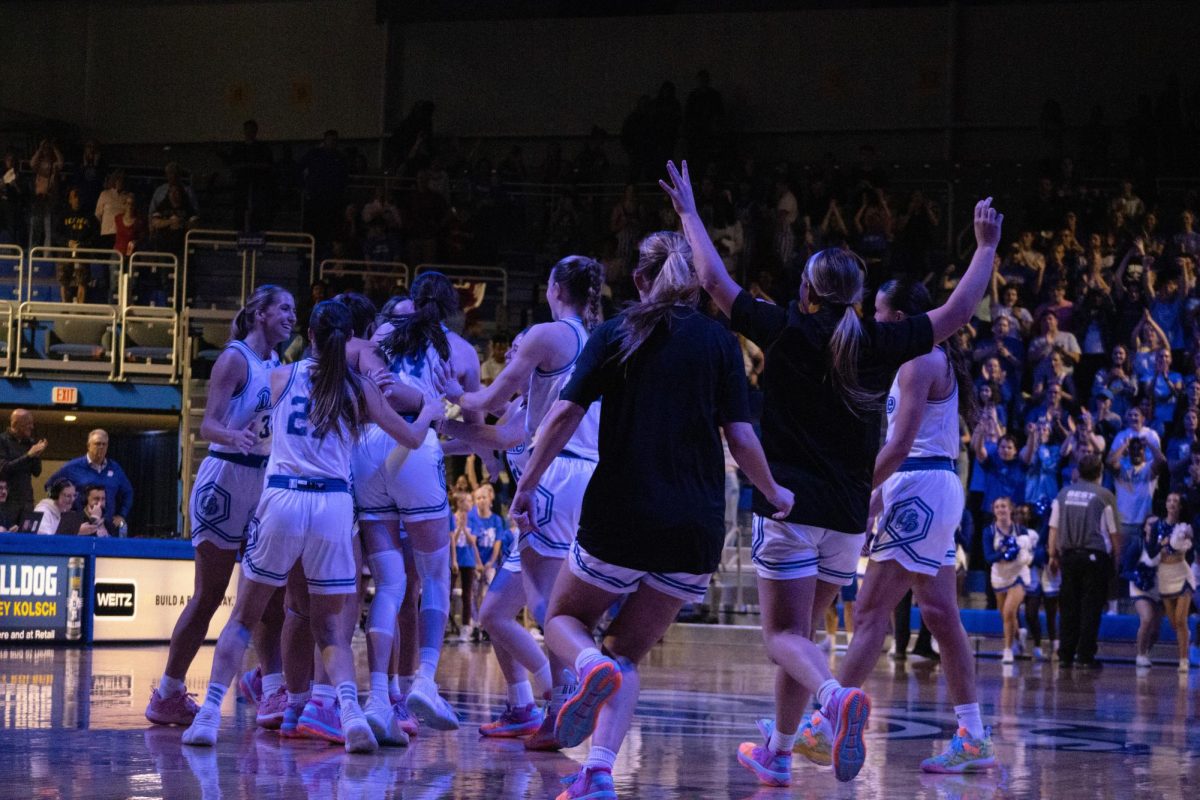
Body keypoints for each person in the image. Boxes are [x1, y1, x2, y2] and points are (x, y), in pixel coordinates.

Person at [659, 153, 1000, 786]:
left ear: (808, 291)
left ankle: (835, 701)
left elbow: (711, 280)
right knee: (805, 635)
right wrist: (985, 248)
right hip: (847, 516)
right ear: (859, 296)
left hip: (792, 505)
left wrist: (688, 212)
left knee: (782, 637)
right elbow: (955, 315)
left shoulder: (788, 330)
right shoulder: (878, 342)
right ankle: (781, 752)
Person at [509, 226, 793, 800]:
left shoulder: (616, 331)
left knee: (563, 622)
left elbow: (563, 416)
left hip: (622, 514)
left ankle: (586, 668)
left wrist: (527, 484)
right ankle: (597, 773)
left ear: (640, 279)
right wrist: (774, 491)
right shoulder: (719, 342)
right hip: (694, 532)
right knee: (626, 655)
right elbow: (740, 436)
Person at [180, 300, 440, 751]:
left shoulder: (280, 376)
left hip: (282, 496)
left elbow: (243, 419)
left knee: (244, 617)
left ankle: (206, 716)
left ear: (311, 336)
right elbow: (413, 438)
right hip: (333, 507)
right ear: (351, 339)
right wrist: (431, 409)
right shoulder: (360, 388)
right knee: (332, 628)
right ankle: (351, 713)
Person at [445, 254, 605, 750]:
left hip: (555, 474)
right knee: (495, 611)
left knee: (545, 604)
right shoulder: (597, 340)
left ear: (554, 287)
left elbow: (489, 403)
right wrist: (442, 435)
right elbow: (502, 431)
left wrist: (447, 390)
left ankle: (577, 683)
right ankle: (524, 707)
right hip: (586, 474)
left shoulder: (547, 335)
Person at [147, 286, 295, 728]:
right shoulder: (234, 358)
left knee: (271, 599)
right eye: (284, 309)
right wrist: (235, 435)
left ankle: (272, 691)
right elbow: (209, 424)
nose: (291, 317)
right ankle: (168, 693)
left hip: (261, 483)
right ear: (261, 314)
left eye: (294, 311)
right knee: (209, 595)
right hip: (226, 478)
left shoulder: (278, 366)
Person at [369, 271, 483, 730]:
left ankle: (378, 698)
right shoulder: (459, 350)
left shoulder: (379, 332)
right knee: (434, 577)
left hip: (370, 449)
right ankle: (425, 681)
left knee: (389, 584)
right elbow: (472, 427)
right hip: (418, 450)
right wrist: (438, 434)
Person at [1047, 454, 1118, 668]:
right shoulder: (1104, 495)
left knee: (1069, 607)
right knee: (1091, 608)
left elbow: (1053, 528)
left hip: (1068, 557)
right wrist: (1117, 560)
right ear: (1100, 473)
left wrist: (1052, 555)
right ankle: (1085, 656)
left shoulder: (1063, 494)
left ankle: (1066, 655)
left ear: (1077, 472)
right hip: (1095, 558)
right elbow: (1113, 533)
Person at [1136, 495, 1195, 672]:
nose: (1171, 504)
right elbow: (1152, 550)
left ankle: (1183, 660)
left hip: (1182, 573)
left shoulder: (1187, 527)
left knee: (1180, 619)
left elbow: (1191, 551)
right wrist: (1163, 544)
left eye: (1176, 501)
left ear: (1181, 507)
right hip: (1165, 576)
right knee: (1174, 624)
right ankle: (1185, 638)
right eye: (1169, 500)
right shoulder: (1156, 526)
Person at [983, 497, 1037, 664]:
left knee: (1008, 611)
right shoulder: (989, 531)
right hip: (999, 576)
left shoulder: (1021, 530)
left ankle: (1007, 650)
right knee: (1005, 614)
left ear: (1010, 509)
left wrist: (1018, 552)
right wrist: (1005, 552)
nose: (1000, 509)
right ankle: (1018, 633)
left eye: (1004, 506)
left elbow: (1028, 557)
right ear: (993, 510)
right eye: (997, 507)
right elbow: (988, 557)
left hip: (1018, 575)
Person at [46, 429, 132, 529]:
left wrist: (122, 515)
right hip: (79, 525)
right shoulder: (72, 467)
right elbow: (49, 486)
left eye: (104, 444)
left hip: (107, 527)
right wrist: (61, 511)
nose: (101, 447)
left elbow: (128, 492)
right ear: (88, 446)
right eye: (97, 444)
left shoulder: (115, 468)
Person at [0, 409, 46, 521]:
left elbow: (37, 472)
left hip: (26, 500)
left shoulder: (30, 443)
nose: (32, 427)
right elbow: (3, 469)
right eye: (28, 423)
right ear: (15, 424)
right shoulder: (2, 441)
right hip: (7, 501)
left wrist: (36, 455)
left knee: (27, 535)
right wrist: (28, 455)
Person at [34, 479, 101, 535]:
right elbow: (45, 541)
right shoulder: (42, 511)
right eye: (68, 496)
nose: (72, 499)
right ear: (55, 495)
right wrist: (76, 532)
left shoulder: (66, 512)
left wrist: (94, 518)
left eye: (74, 495)